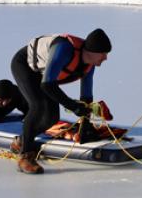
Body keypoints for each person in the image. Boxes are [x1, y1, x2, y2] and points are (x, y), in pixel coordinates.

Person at [11, 28, 113, 174]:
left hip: (45, 75)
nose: (105, 58)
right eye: (103, 53)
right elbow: (47, 85)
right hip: (25, 66)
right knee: (38, 107)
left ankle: (21, 141)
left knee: (52, 117)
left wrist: (85, 124)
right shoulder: (64, 49)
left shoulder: (89, 65)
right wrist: (72, 106)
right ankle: (24, 156)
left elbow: (86, 97)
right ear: (91, 51)